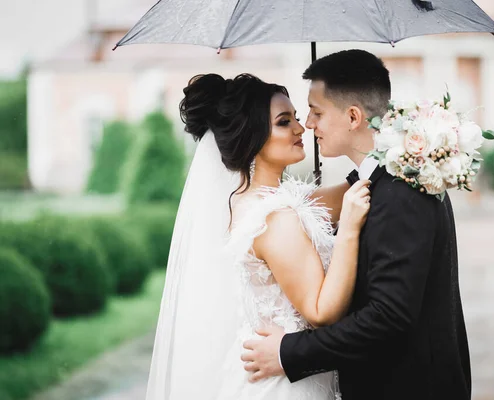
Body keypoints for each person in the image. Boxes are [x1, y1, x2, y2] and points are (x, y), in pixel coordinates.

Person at [242, 49, 472, 400]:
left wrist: (288, 353)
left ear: (353, 117)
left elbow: (388, 317)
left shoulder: (401, 192)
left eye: (316, 112)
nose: (308, 123)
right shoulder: (383, 182)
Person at [144, 72, 370, 400]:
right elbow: (321, 312)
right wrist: (349, 229)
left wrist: (394, 153)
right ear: (253, 136)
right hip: (287, 384)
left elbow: (343, 192)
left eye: (296, 116)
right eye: (283, 121)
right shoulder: (275, 219)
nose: (300, 127)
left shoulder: (247, 201)